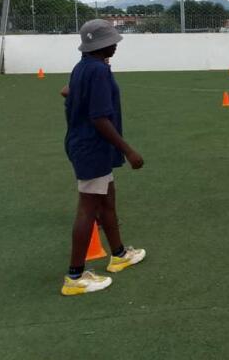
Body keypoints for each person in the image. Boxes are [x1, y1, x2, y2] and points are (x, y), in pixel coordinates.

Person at [60, 19, 146, 296]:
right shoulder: (97, 71)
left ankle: (119, 254)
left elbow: (69, 93)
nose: (116, 44)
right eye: (113, 40)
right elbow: (99, 118)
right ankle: (74, 276)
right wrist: (127, 149)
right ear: (102, 44)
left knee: (106, 200)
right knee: (88, 208)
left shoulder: (83, 67)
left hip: (85, 145)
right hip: (92, 147)